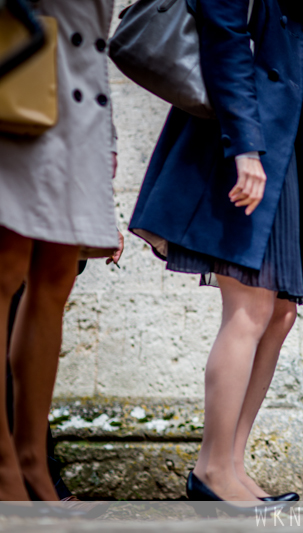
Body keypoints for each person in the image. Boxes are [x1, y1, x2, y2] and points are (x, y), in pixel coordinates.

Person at [128, 0, 303, 507]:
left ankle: (229, 463)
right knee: (249, 309)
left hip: (284, 165)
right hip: (240, 147)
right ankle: (211, 470)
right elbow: (223, 43)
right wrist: (244, 148)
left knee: (281, 314)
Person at [0, 0, 121, 503]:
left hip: (83, 103)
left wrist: (108, 135)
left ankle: (32, 460)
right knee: (6, 272)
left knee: (56, 277)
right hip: (17, 77)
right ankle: (4, 465)